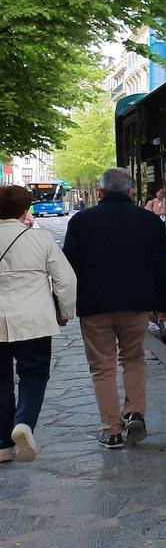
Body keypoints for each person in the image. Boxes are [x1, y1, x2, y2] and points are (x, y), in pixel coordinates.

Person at [63, 168, 166, 449]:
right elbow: (162, 267)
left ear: (100, 192)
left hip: (94, 306)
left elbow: (69, 267)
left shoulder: (81, 222)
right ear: (131, 192)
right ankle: (135, 411)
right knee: (134, 358)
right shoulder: (149, 222)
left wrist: (65, 305)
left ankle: (111, 430)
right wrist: (165, 304)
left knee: (102, 368)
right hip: (136, 305)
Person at [0, 186, 77, 464]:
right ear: (25, 210)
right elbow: (66, 281)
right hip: (33, 320)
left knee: (0, 380)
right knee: (33, 374)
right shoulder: (41, 240)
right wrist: (65, 311)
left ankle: (2, 445)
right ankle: (23, 424)